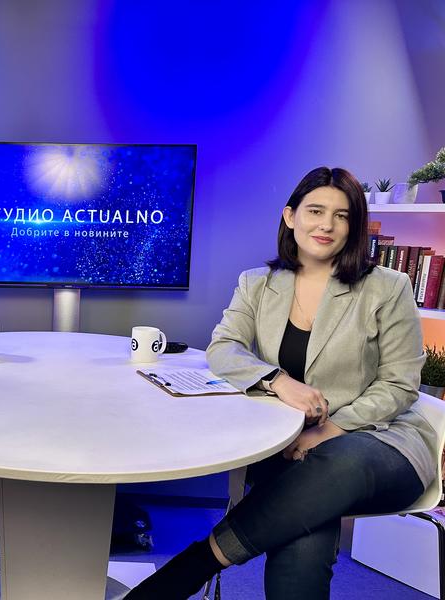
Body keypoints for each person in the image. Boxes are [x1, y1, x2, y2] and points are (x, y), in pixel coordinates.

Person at [125, 166, 438, 599]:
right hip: (286, 446)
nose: (327, 225)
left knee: (336, 464)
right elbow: (223, 347)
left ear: (354, 226)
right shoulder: (257, 284)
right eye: (315, 211)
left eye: (342, 216)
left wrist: (330, 429)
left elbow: (400, 384)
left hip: (379, 444)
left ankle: (195, 565)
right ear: (290, 216)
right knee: (303, 537)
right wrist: (276, 380)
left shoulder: (388, 287)